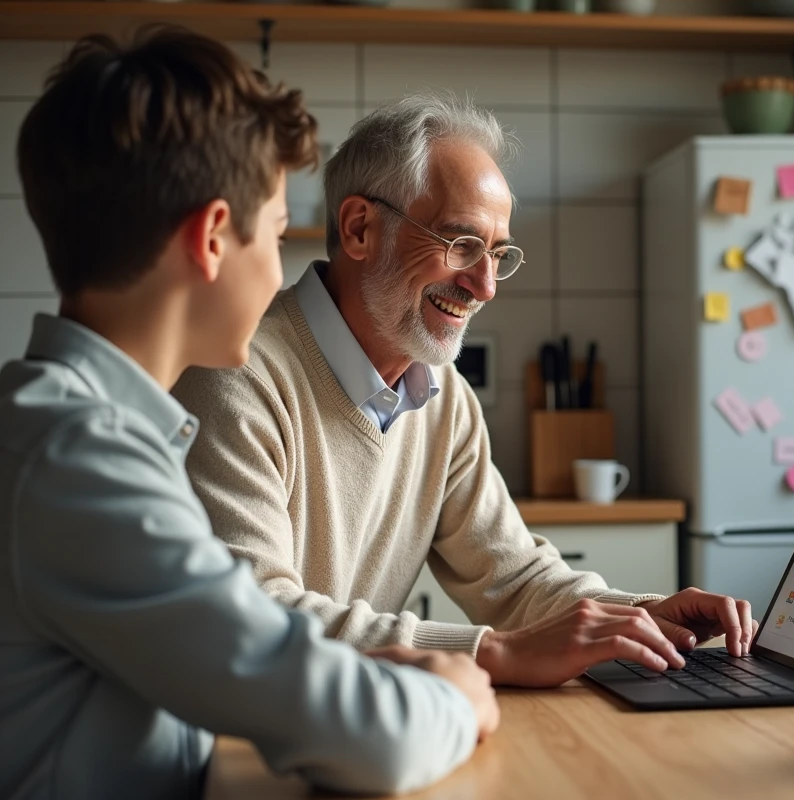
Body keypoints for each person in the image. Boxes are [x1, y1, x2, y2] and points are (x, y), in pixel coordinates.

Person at [0, 29, 498, 799]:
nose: (281, 268)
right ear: (209, 241)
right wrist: (454, 698)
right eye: (273, 233)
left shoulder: (87, 431)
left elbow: (248, 653)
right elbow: (369, 739)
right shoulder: (79, 461)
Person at [173, 90, 758, 688]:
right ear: (358, 228)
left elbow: (512, 576)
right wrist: (490, 652)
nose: (484, 286)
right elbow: (255, 613)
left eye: (498, 254)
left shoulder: (441, 396)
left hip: (350, 723)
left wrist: (640, 615)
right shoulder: (237, 377)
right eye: (461, 244)